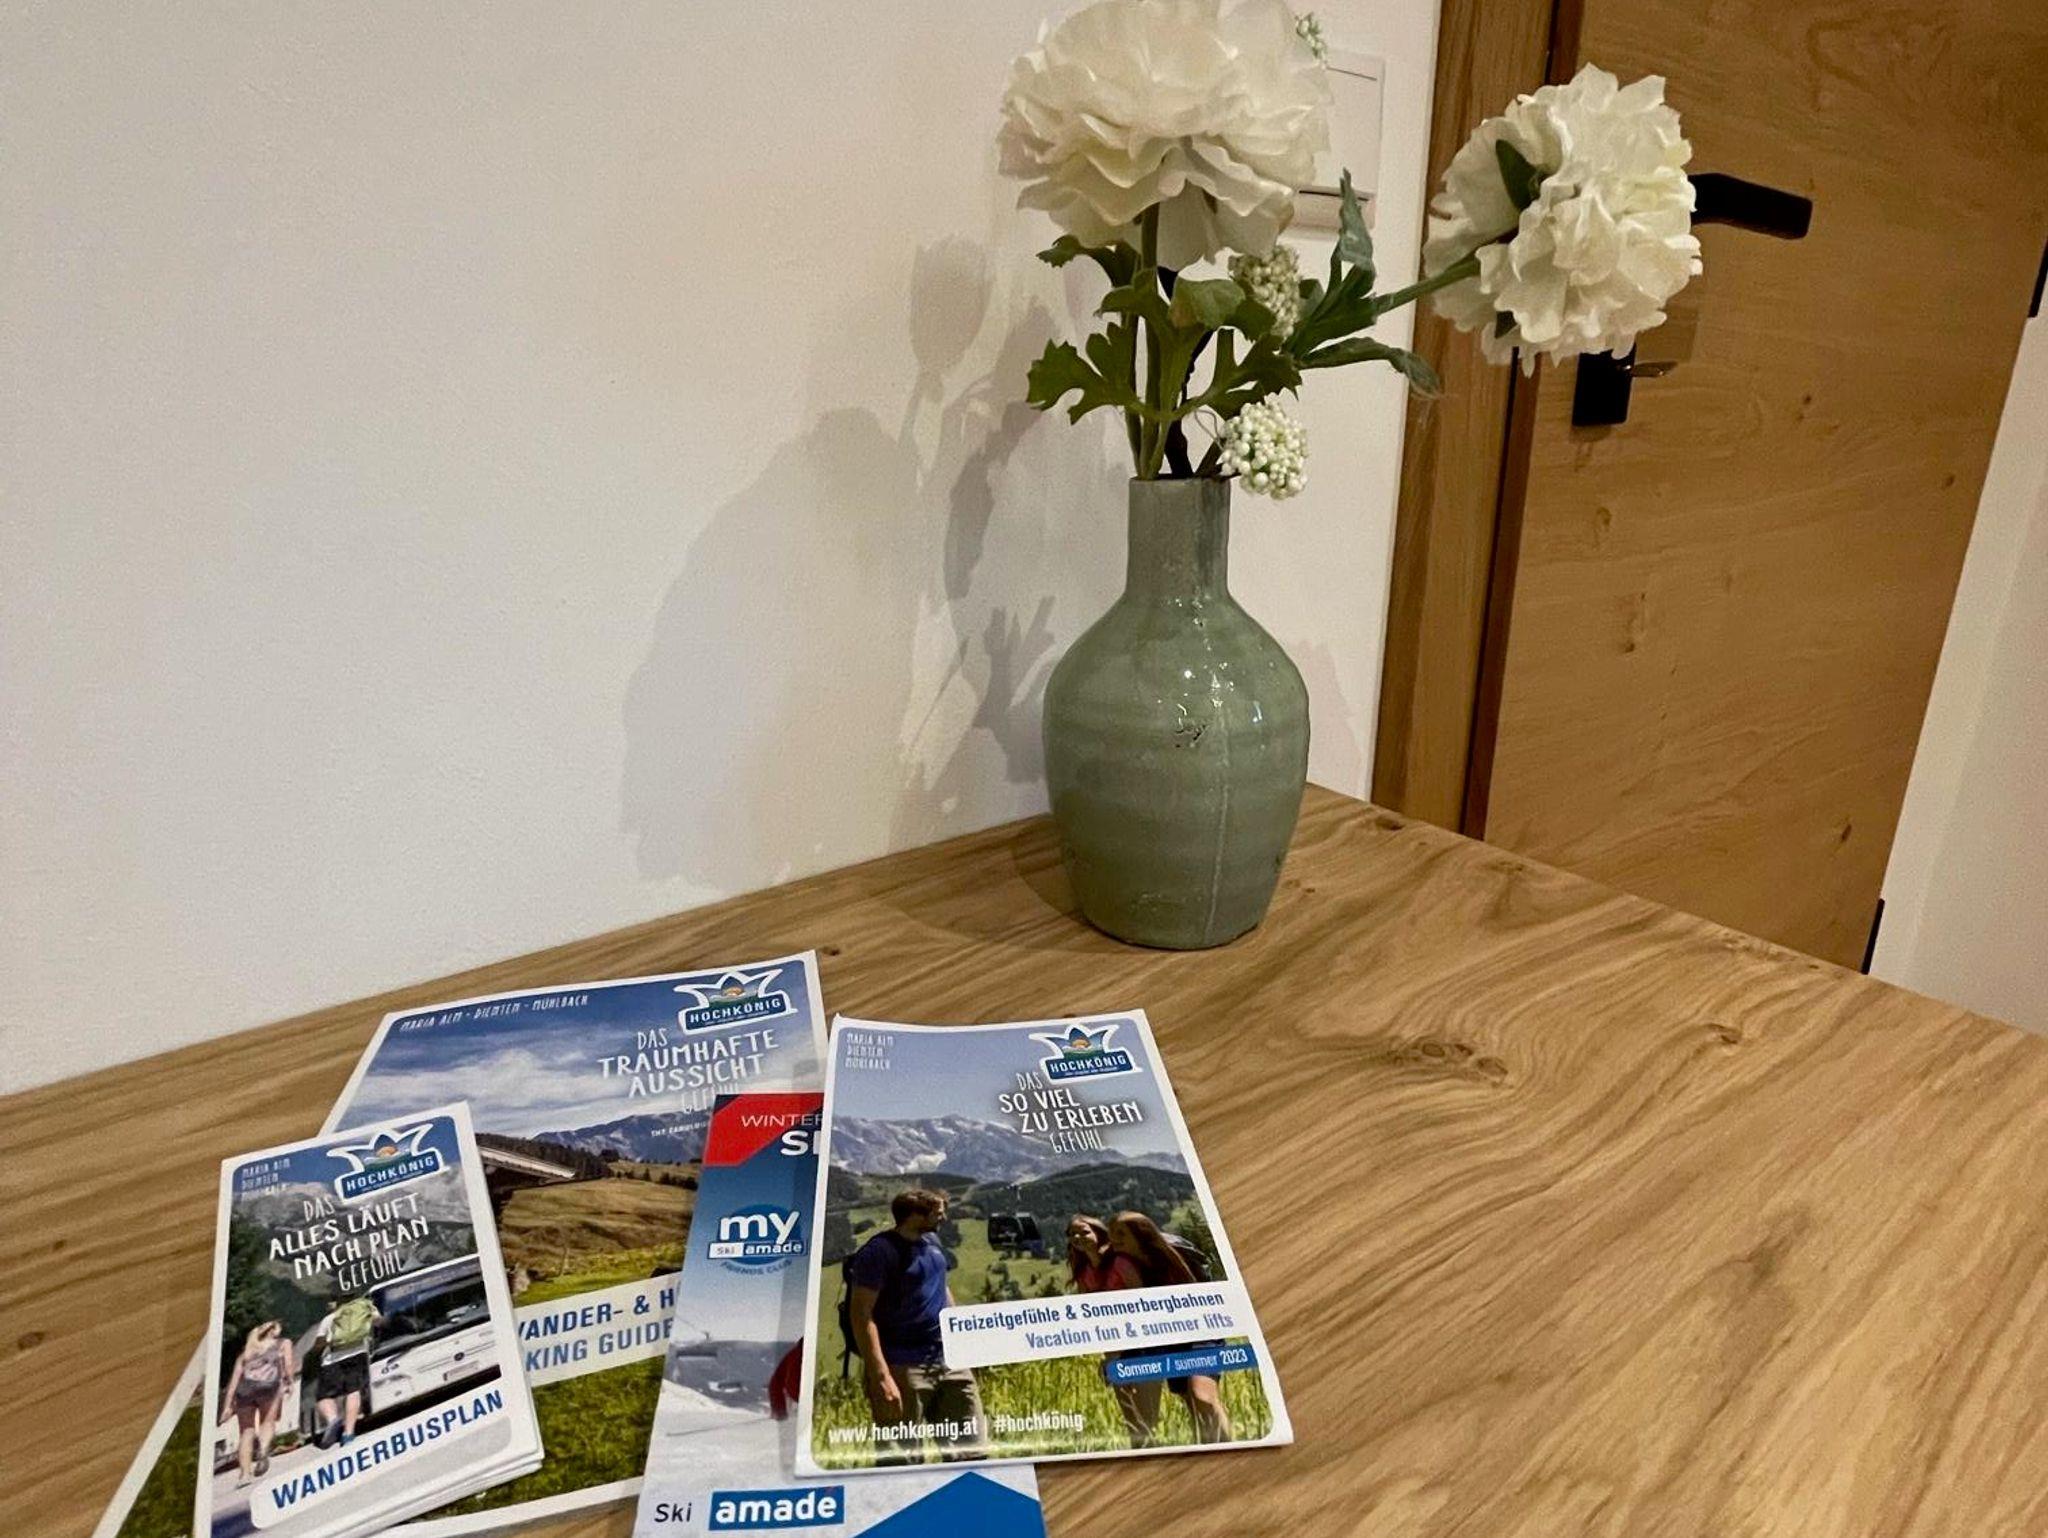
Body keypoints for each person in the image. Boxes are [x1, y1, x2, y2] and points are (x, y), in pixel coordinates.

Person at [847, 1188, 985, 1462]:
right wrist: (881, 1377)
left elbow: (941, 1287)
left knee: (972, 1451)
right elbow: (861, 1314)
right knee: (901, 1459)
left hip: (949, 1360)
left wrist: (962, 1343)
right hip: (902, 1366)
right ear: (914, 1215)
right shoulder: (878, 1252)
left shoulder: (931, 1241)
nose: (944, 1217)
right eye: (938, 1213)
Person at [1108, 1210, 1233, 1444]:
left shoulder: (1171, 1255)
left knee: (1202, 1396)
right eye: (1111, 1233)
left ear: (1141, 1235)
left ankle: (1229, 1449)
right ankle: (1213, 1448)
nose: (1114, 1238)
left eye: (1121, 1233)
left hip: (1200, 1330)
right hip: (1168, 1339)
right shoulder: (1124, 1264)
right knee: (1191, 1400)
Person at [1064, 1215, 1158, 1447]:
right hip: (1114, 1350)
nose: (1077, 1237)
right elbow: (1091, 1318)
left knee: (1147, 1419)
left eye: (1083, 1232)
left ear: (1098, 1232)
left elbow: (1145, 1301)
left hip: (1143, 1346)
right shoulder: (1083, 1273)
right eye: (1072, 1234)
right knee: (1131, 1420)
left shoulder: (1120, 1263)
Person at [218, 1320, 294, 1485]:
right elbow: (288, 1365)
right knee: (268, 1422)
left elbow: (233, 1384)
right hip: (269, 1389)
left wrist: (227, 1406)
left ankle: (245, 1475)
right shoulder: (283, 1343)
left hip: (244, 1393)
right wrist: (290, 1382)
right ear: (273, 1330)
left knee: (246, 1432)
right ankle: (263, 1450)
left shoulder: (246, 1353)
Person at [311, 1291, 381, 1447]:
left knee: (323, 1396)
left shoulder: (330, 1319)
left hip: (333, 1359)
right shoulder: (366, 1308)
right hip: (359, 1353)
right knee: (353, 1392)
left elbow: (320, 1343)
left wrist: (316, 1351)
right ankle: (348, 1433)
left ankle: (333, 1419)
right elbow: (378, 1322)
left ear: (336, 1301)